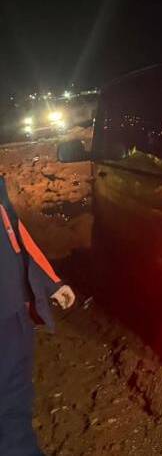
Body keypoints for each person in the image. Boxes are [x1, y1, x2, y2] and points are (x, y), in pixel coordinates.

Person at [1, 175, 75, 456]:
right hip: (4, 319)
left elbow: (14, 232)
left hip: (12, 311)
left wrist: (49, 280)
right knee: (9, 416)